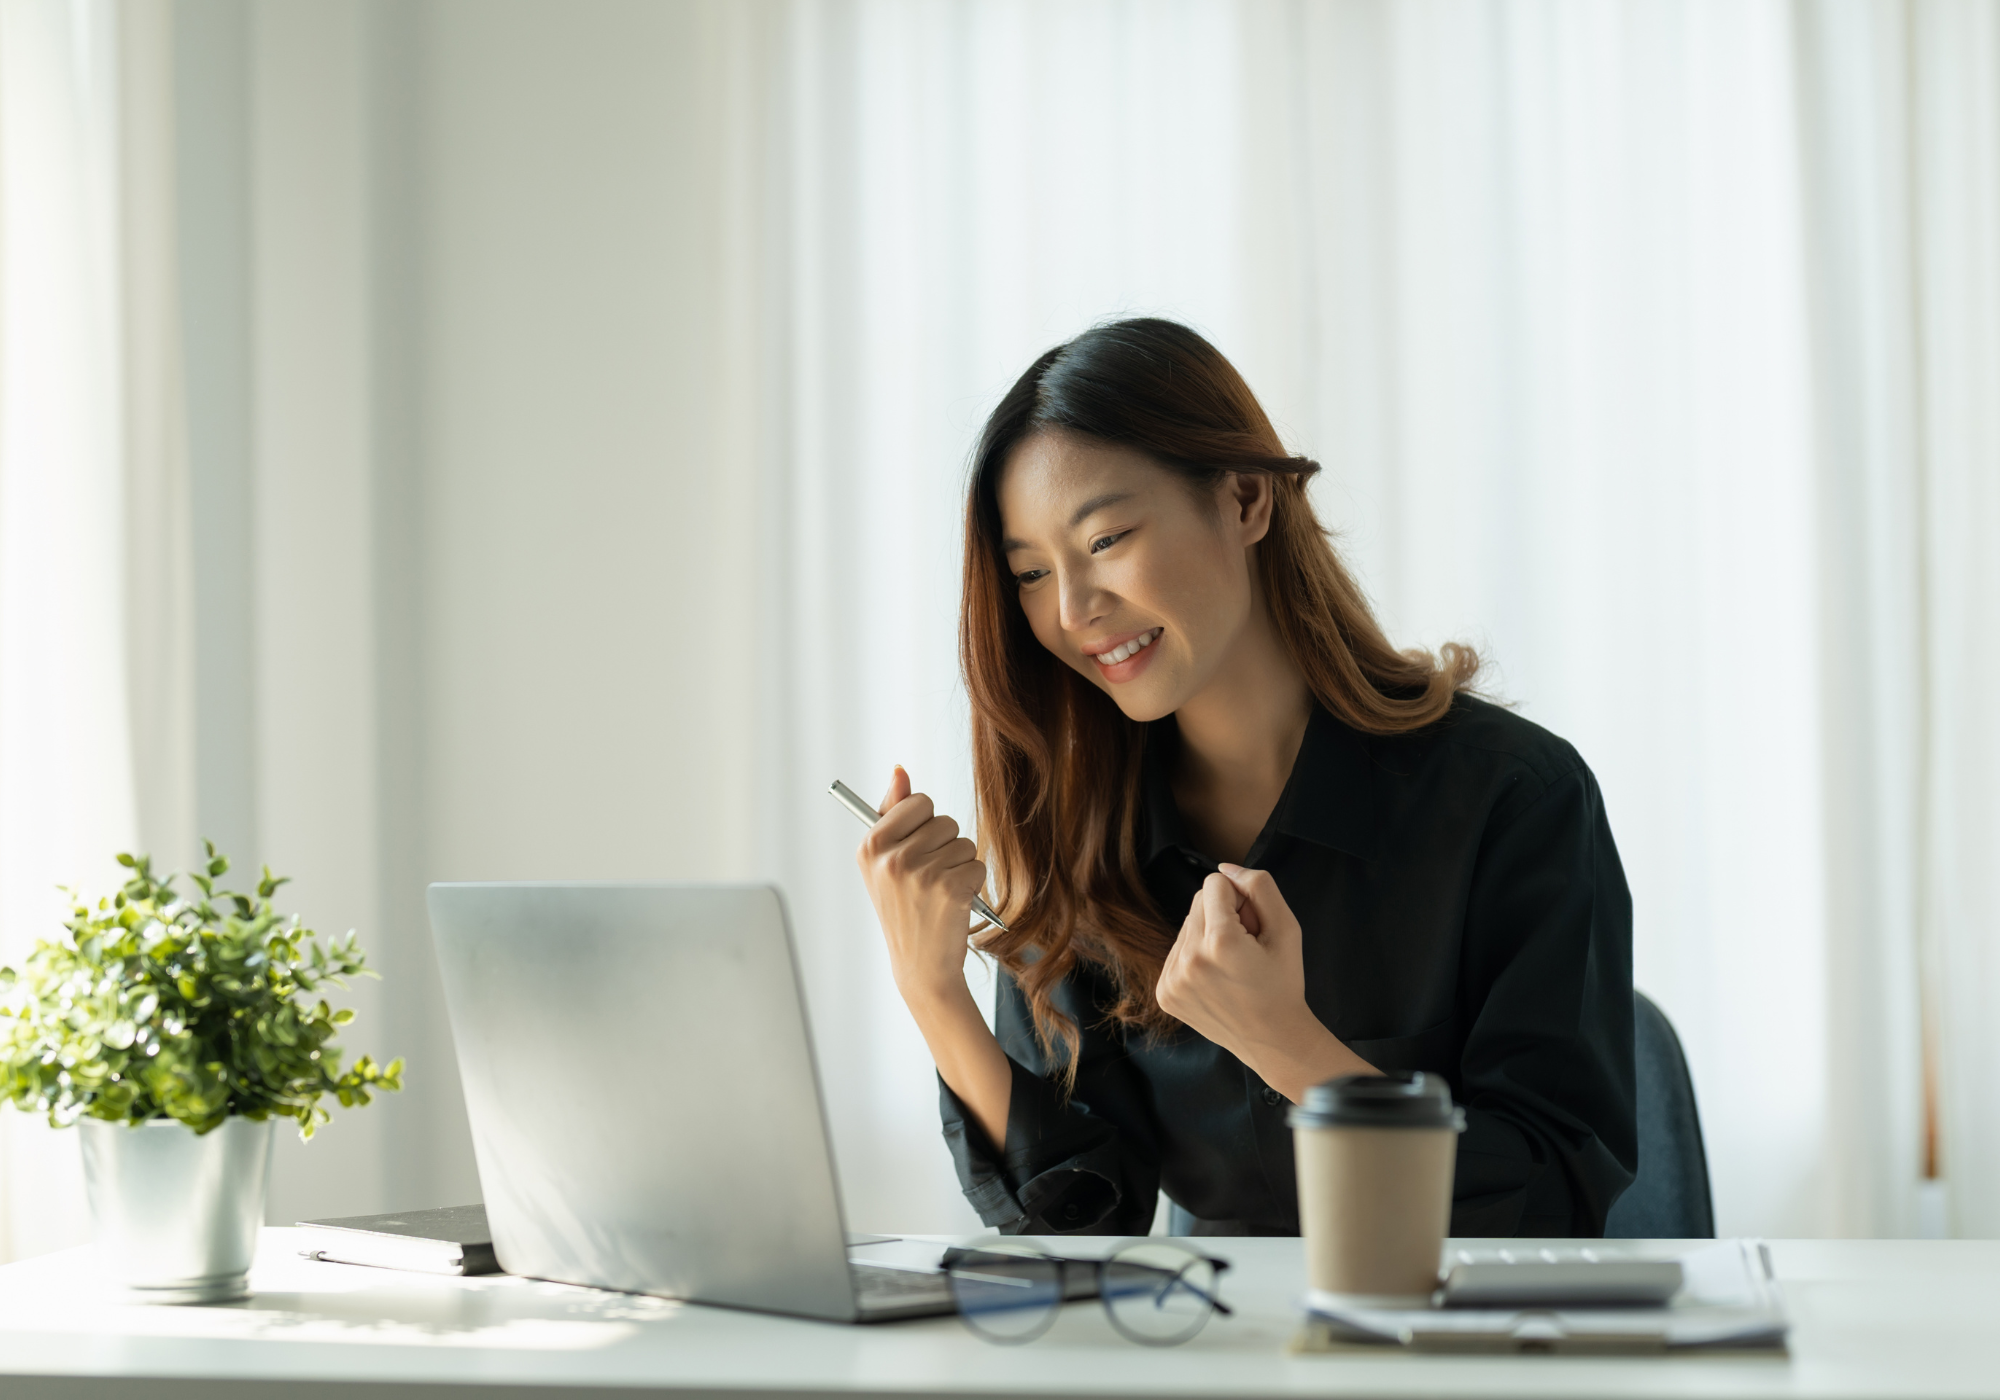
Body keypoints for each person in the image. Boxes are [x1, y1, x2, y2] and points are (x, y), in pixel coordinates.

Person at [854, 318, 1635, 1237]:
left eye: (1105, 540)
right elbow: (1082, 1228)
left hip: (1465, 1360)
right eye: (1030, 572)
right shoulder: (1078, 836)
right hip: (1215, 1360)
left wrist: (1290, 1047)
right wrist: (933, 993)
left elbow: (1551, 1201)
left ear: (1247, 500)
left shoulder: (1516, 798)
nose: (1072, 610)